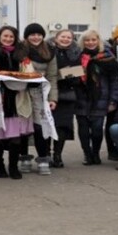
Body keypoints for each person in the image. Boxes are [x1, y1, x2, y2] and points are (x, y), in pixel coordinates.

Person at [0, 25, 35, 179]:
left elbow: (28, 72)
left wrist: (25, 79)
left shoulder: (22, 54)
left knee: (16, 137)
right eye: (5, 36)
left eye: (11, 36)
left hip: (17, 96)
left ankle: (13, 167)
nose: (8, 39)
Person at [74, 30, 118, 165]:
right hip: (81, 97)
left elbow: (116, 80)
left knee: (97, 129)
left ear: (98, 41)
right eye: (87, 40)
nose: (90, 43)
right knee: (83, 128)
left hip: (101, 97)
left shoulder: (108, 57)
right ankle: (87, 154)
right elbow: (68, 74)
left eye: (93, 40)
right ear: (82, 42)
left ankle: (95, 153)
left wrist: (114, 99)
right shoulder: (77, 56)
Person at [19, 23, 59, 176]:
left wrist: (53, 98)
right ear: (26, 36)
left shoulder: (50, 51)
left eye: (38, 34)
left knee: (40, 127)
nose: (35, 37)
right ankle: (24, 158)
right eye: (32, 34)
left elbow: (52, 76)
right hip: (21, 92)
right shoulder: (20, 50)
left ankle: (43, 159)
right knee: (23, 127)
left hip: (40, 92)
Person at [48, 29, 81, 168]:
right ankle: (45, 154)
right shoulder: (48, 51)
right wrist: (67, 72)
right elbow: (49, 73)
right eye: (63, 37)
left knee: (62, 127)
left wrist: (61, 74)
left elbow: (78, 74)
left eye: (69, 37)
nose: (66, 39)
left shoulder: (76, 53)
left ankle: (57, 155)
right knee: (47, 126)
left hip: (67, 94)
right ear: (56, 38)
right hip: (48, 93)